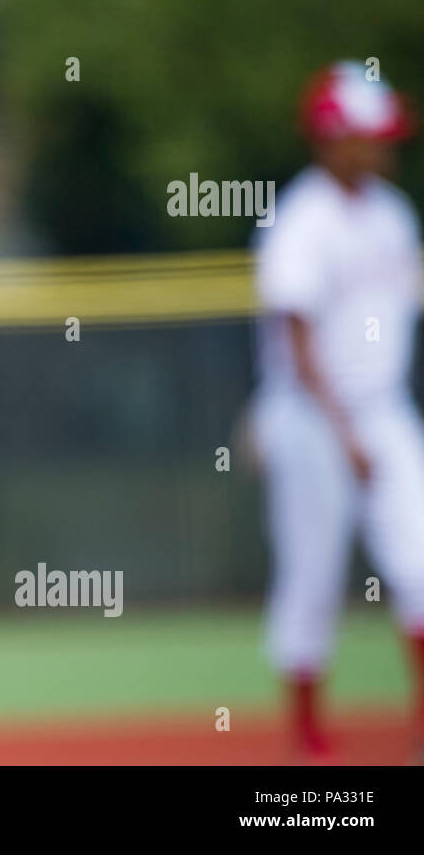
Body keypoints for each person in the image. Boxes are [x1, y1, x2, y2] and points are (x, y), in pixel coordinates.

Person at [252, 61, 424, 763]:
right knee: (313, 573)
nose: (384, 146)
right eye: (369, 135)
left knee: (419, 560)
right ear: (331, 139)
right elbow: (297, 342)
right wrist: (343, 431)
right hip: (313, 419)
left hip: (384, 409)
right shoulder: (300, 219)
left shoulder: (393, 211)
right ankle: (306, 733)